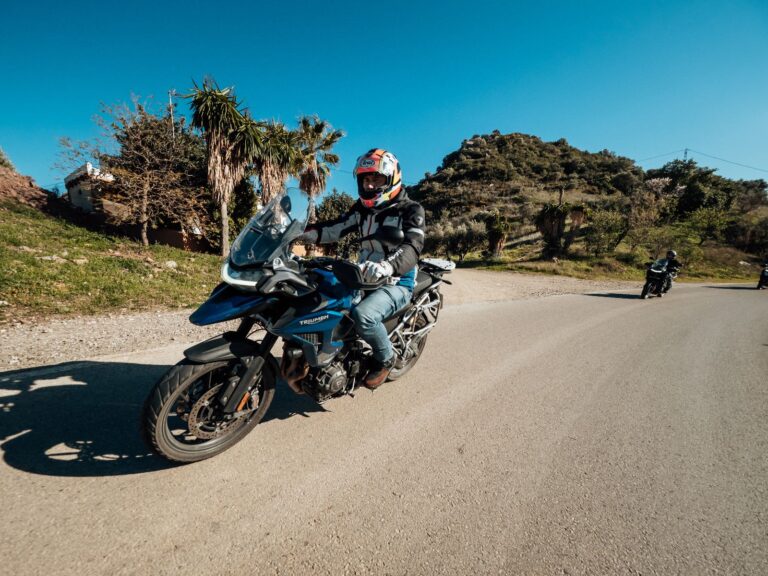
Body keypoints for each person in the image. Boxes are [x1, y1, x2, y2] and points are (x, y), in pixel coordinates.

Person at [298, 149, 426, 389]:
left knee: (363, 316)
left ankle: (386, 359)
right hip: (364, 274)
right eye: (365, 179)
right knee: (323, 298)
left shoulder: (411, 210)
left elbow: (412, 246)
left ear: (391, 178)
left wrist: (389, 266)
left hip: (396, 280)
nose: (369, 185)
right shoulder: (362, 209)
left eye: (376, 179)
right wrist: (299, 234)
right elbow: (335, 228)